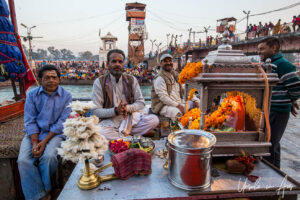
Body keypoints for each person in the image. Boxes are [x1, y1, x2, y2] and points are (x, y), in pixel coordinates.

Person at [17, 65, 72, 200]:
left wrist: (44, 142)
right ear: (40, 80)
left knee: (49, 157)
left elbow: (61, 123)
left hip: (56, 134)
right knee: (23, 161)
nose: (51, 81)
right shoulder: (31, 95)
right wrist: (35, 142)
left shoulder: (66, 96)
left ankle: (43, 191)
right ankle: (41, 195)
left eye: (54, 77)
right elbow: (30, 121)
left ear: (59, 80)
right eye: (47, 78)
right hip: (34, 133)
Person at [91, 49, 159, 140]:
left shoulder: (131, 79)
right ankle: (130, 138)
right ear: (108, 64)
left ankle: (121, 137)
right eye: (114, 61)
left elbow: (141, 102)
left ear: (124, 64)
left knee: (154, 120)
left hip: (129, 118)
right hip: (110, 120)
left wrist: (126, 108)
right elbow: (95, 111)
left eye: (120, 62)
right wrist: (115, 111)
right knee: (101, 132)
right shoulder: (99, 82)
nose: (117, 64)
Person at [257, 37, 300, 168]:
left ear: (274, 48)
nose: (259, 52)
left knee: (271, 143)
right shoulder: (269, 64)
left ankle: (273, 172)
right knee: (269, 141)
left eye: (262, 49)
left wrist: (289, 101)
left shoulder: (283, 65)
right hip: (268, 109)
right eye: (258, 50)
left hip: (278, 110)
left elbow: (296, 88)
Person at [151, 54, 200, 120]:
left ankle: (195, 127)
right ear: (161, 63)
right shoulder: (159, 78)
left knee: (198, 103)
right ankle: (179, 129)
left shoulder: (176, 75)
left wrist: (195, 100)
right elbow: (163, 97)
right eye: (165, 61)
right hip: (163, 105)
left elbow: (185, 89)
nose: (168, 63)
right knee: (176, 112)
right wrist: (178, 106)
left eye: (170, 61)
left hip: (178, 102)